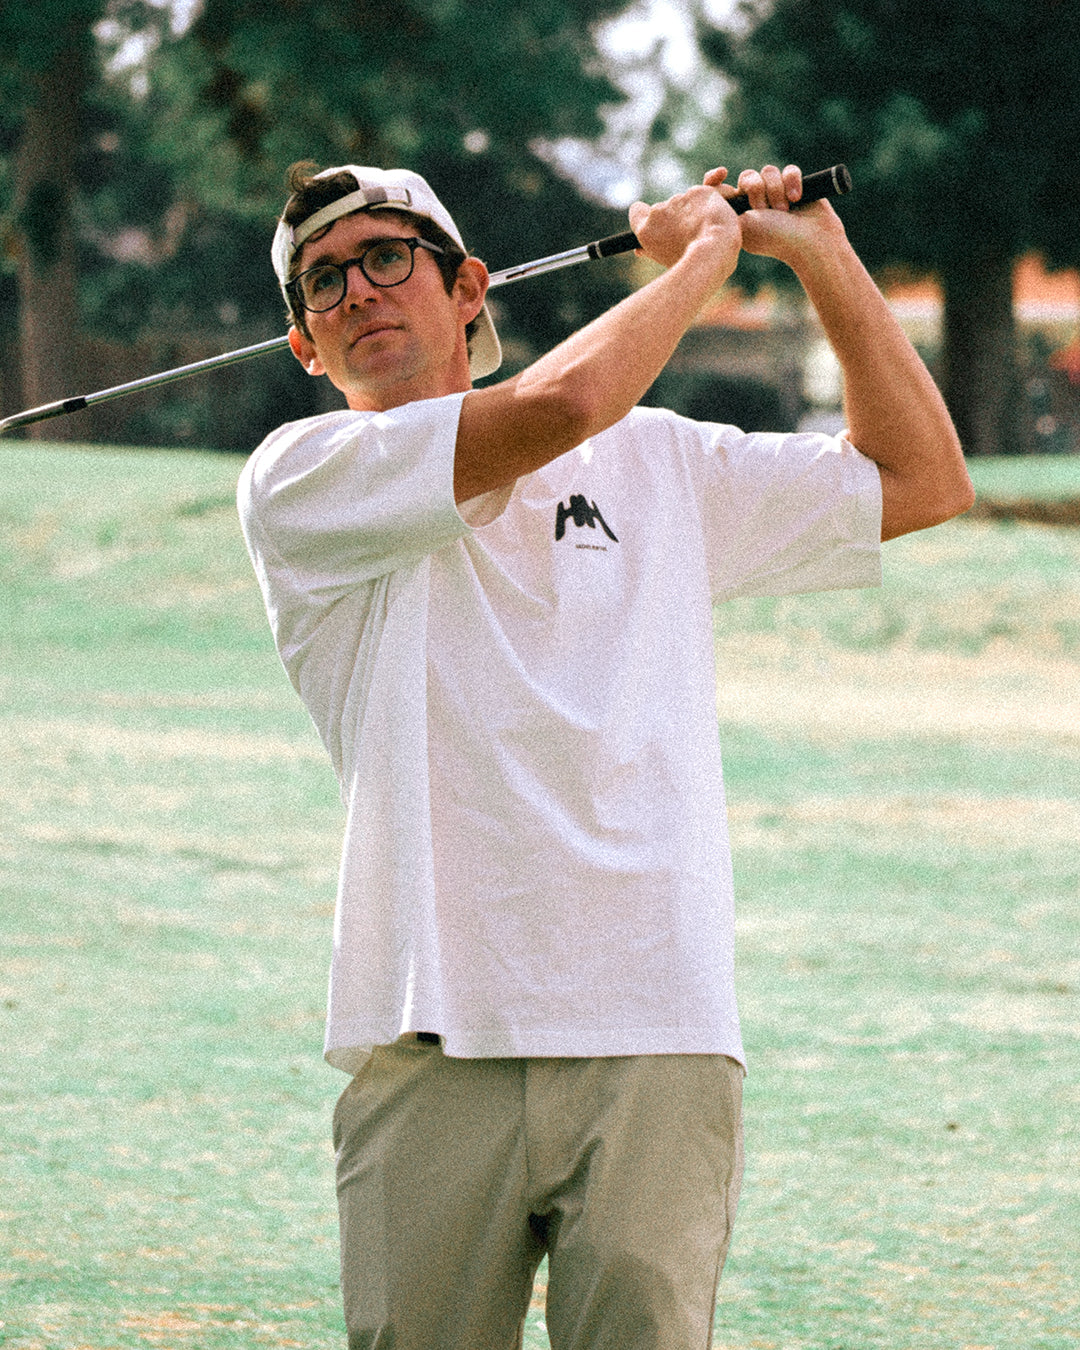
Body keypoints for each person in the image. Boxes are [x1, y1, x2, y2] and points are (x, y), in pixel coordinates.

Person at [237, 160, 973, 1350]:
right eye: (324, 282)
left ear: (467, 286)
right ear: (306, 350)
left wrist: (821, 254)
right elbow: (558, 409)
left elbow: (921, 480)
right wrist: (700, 260)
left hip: (658, 1030)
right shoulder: (301, 483)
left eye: (388, 258)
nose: (360, 291)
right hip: (433, 1039)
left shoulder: (662, 462)